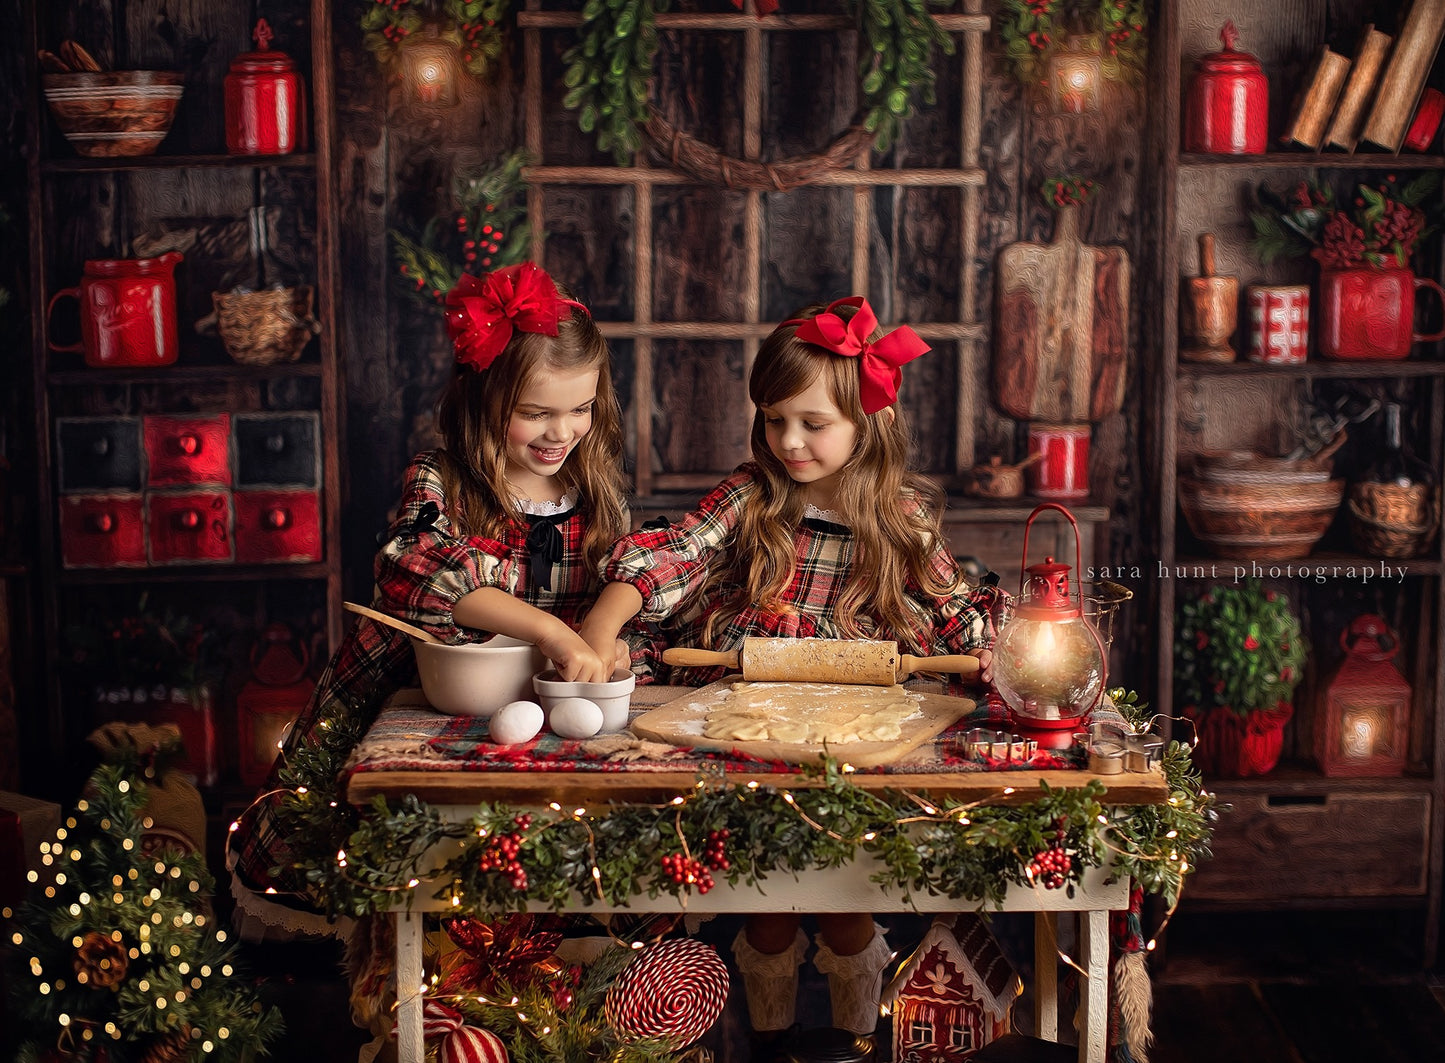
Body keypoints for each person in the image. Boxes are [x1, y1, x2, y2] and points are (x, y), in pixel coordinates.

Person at [578, 296, 1006, 1043]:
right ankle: (770, 1038)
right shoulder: (753, 495)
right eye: (775, 419)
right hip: (753, 720)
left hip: (851, 731)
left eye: (812, 423)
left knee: (843, 892)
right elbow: (674, 552)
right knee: (764, 891)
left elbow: (952, 612)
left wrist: (1009, 654)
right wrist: (601, 623)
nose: (788, 441)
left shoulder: (896, 520)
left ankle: (852, 1038)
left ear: (866, 422)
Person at [230, 261, 656, 925]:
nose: (560, 432)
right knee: (405, 888)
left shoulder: (598, 495)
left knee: (537, 889)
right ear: (484, 399)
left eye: (580, 409)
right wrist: (549, 631)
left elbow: (625, 596)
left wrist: (612, 646)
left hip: (533, 728)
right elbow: (412, 567)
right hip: (418, 705)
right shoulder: (441, 479)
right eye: (535, 413)